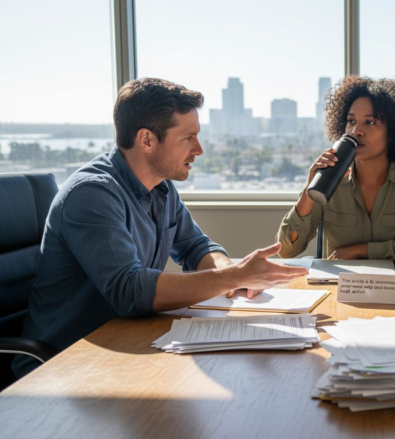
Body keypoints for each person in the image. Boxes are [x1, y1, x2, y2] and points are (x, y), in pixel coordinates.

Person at [13, 78, 307, 378]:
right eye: (188, 137)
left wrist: (232, 275)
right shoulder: (91, 195)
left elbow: (196, 246)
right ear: (147, 140)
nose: (199, 150)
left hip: (121, 346)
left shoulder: (161, 188)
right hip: (60, 367)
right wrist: (233, 275)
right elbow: (129, 293)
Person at [276, 76, 395, 263]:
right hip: (338, 288)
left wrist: (363, 251)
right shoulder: (330, 178)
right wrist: (309, 192)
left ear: (393, 131)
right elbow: (286, 250)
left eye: (370, 122)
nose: (356, 131)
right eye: (351, 121)